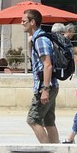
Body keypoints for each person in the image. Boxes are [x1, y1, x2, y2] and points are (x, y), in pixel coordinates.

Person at [22, 8, 60, 144]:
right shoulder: (37, 39)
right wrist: (29, 45)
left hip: (45, 87)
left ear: (32, 22)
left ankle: (47, 150)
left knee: (33, 120)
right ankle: (57, 152)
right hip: (50, 85)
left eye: (24, 21)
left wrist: (45, 89)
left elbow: (47, 65)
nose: (22, 23)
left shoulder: (40, 40)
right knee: (49, 121)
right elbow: (37, 63)